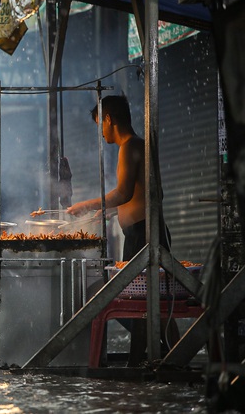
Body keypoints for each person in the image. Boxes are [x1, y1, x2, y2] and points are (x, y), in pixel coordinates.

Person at [66, 95, 175, 367]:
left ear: (108, 119)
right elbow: (144, 195)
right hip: (143, 231)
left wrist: (86, 205)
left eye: (99, 126)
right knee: (149, 301)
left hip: (143, 235)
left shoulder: (130, 146)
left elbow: (124, 193)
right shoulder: (138, 145)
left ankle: (165, 354)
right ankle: (157, 357)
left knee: (139, 302)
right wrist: (108, 212)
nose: (101, 134)